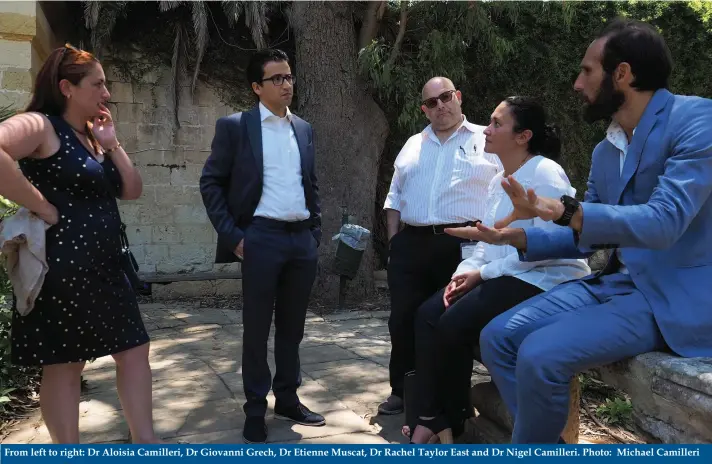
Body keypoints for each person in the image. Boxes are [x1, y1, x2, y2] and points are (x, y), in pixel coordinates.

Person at [448, 18, 712, 444]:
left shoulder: (698, 120)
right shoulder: (606, 149)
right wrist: (514, 238)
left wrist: (566, 210)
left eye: (587, 70)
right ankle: (544, 443)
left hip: (667, 295)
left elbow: (665, 222)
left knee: (539, 354)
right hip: (614, 283)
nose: (576, 83)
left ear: (621, 74)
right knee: (497, 336)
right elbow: (588, 236)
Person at [405, 97, 590, 444]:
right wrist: (464, 272)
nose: (486, 130)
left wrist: (482, 275)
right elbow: (485, 244)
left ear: (523, 136)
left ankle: (453, 417)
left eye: (496, 124)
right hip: (505, 272)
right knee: (428, 313)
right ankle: (438, 417)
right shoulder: (498, 181)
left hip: (545, 276)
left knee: (454, 321)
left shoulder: (544, 172)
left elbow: (549, 246)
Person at [0, 44, 159, 443]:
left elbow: (132, 190)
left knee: (134, 351)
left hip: (109, 266)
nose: (107, 93)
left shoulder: (91, 136)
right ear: (67, 87)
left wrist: (112, 143)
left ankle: (147, 444)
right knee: (65, 364)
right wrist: (41, 206)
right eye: (98, 84)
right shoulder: (42, 126)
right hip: (63, 268)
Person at [200, 49, 324, 444]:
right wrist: (234, 236)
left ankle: (287, 398)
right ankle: (255, 408)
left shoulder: (303, 128)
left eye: (289, 77)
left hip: (300, 240)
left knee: (292, 328)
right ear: (257, 87)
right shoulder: (236, 126)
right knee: (256, 329)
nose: (286, 84)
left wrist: (314, 233)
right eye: (277, 79)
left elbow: (311, 184)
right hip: (260, 239)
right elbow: (211, 182)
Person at [380, 77, 502, 416]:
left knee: (449, 320)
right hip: (411, 244)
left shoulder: (486, 139)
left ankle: (452, 400)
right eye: (431, 103)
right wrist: (393, 242)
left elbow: (509, 189)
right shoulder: (412, 144)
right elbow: (394, 197)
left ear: (458, 97)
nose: (440, 106)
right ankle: (402, 392)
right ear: (424, 109)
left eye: (445, 97)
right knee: (402, 320)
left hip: (462, 245)